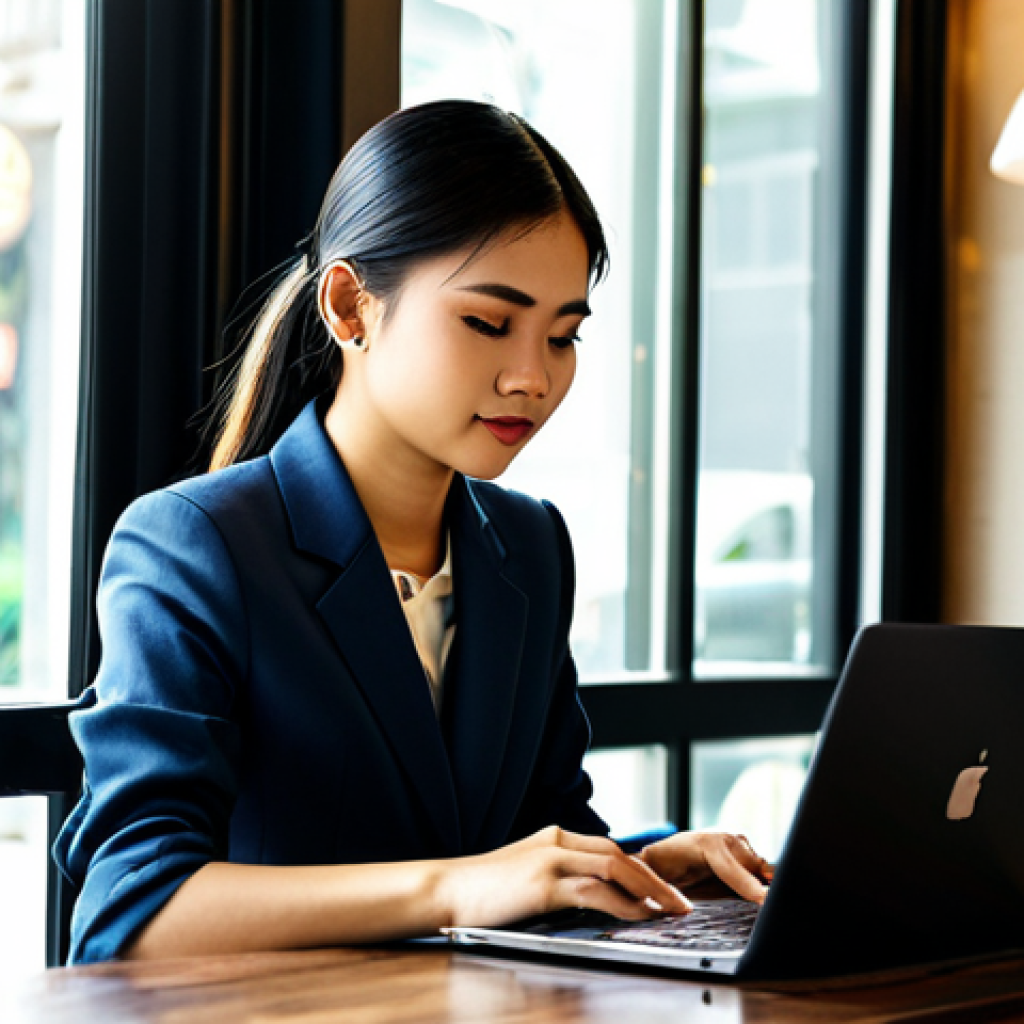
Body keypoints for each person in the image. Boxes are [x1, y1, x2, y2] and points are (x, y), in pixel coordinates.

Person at [55, 100, 772, 964]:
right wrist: (455, 886)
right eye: (487, 322)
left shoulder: (529, 547)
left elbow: (536, 837)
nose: (532, 377)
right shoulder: (192, 546)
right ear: (351, 307)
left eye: (563, 335)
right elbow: (130, 914)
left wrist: (642, 867)